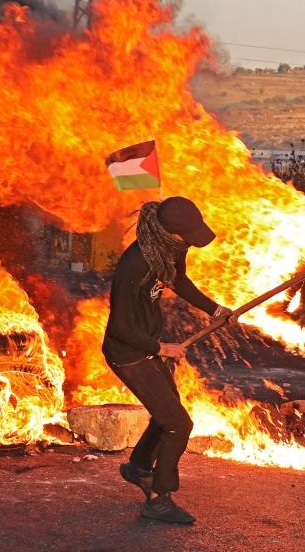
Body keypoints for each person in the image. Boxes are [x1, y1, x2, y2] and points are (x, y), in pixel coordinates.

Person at [103, 196, 233, 525]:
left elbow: (178, 281)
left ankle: (139, 467)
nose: (193, 240)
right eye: (188, 235)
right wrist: (160, 348)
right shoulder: (136, 263)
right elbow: (119, 327)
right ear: (172, 233)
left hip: (146, 346)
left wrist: (214, 310)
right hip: (128, 353)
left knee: (167, 414)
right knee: (178, 423)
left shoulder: (172, 247)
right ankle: (159, 501)